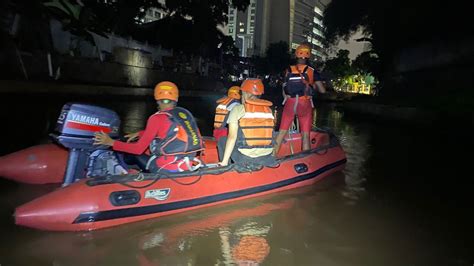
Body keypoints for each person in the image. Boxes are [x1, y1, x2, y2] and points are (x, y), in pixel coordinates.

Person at [94, 81, 204, 173]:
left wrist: (110, 142)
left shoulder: (156, 118)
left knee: (130, 155)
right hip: (186, 164)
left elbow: (138, 149)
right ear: (176, 98)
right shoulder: (183, 114)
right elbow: (171, 131)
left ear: (157, 98)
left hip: (166, 167)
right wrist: (140, 133)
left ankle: (124, 174)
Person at [273, 43, 326, 156]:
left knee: (281, 133)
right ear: (308, 56)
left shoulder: (288, 69)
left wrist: (286, 97)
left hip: (290, 103)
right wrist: (313, 86)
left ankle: (272, 158)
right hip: (305, 104)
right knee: (305, 135)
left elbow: (284, 87)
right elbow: (322, 91)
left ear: (296, 55)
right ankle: (306, 160)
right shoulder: (312, 71)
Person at [218, 78, 277, 168]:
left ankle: (226, 166)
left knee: (222, 140)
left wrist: (224, 161)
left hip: (245, 158)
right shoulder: (268, 110)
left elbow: (232, 137)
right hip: (267, 156)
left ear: (245, 93)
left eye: (242, 93)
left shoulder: (237, 109)